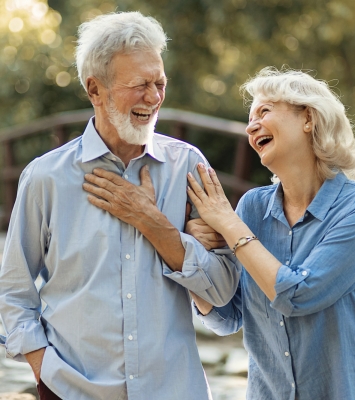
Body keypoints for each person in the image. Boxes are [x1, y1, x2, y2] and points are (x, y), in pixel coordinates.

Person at [0, 12, 240, 400]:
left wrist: (155, 225)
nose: (155, 97)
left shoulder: (189, 167)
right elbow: (13, 291)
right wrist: (44, 366)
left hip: (174, 390)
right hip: (71, 390)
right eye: (140, 85)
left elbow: (225, 292)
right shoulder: (45, 177)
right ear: (95, 89)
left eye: (160, 83)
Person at [185, 67, 355, 400]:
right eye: (250, 117)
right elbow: (227, 317)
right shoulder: (252, 209)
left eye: (264, 111)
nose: (251, 125)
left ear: (308, 119)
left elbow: (300, 294)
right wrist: (191, 249)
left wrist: (229, 225)